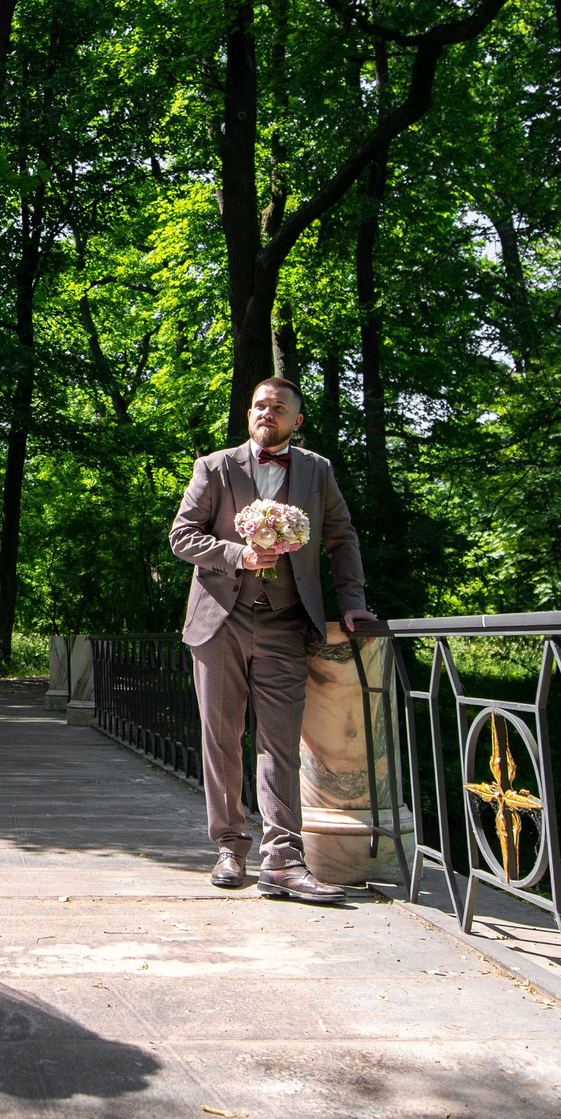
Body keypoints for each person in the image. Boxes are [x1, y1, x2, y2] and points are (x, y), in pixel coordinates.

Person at [168, 376, 378, 903]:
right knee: (220, 738)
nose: (268, 412)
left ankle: (283, 860)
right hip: (220, 620)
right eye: (260, 404)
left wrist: (352, 601)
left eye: (279, 407)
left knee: (280, 742)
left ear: (296, 420)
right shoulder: (214, 467)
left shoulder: (317, 470)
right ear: (249, 413)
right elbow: (182, 537)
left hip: (287, 620)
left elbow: (341, 536)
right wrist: (237, 554)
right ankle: (230, 847)